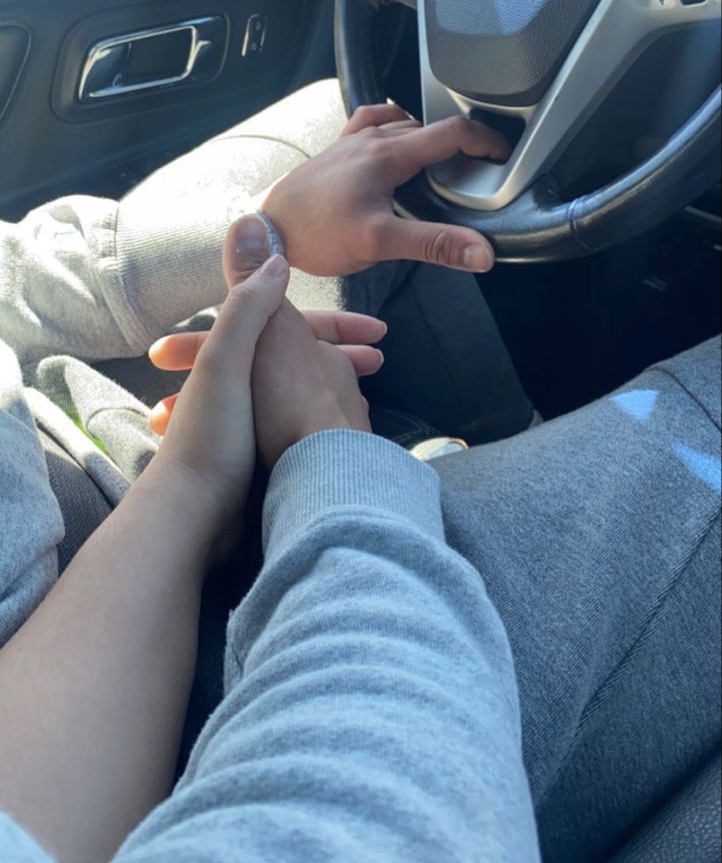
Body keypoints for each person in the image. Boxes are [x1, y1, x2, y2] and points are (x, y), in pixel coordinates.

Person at [0, 82, 719, 862]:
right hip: (253, 723)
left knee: (374, 122)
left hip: (96, 454)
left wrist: (264, 232)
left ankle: (503, 442)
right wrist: (320, 456)